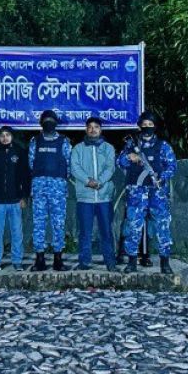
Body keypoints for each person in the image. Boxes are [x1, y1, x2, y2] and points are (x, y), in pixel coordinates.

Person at [117, 110, 177, 274]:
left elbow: (172, 166)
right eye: (144, 125)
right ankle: (131, 262)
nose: (147, 127)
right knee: (133, 226)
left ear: (155, 127)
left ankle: (165, 262)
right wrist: (129, 157)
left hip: (157, 193)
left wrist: (161, 177)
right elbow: (120, 162)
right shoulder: (132, 145)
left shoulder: (163, 146)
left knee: (162, 226)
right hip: (136, 192)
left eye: (150, 125)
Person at [70, 116, 118, 271]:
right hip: (85, 197)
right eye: (90, 127)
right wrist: (87, 181)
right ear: (86, 130)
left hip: (104, 197)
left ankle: (110, 262)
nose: (93, 129)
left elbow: (110, 168)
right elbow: (74, 168)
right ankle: (84, 262)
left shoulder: (109, 148)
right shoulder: (78, 148)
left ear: (100, 129)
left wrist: (100, 182)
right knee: (85, 232)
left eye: (96, 127)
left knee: (106, 231)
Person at [28, 109, 71, 271]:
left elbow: (69, 164)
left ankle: (58, 259)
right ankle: (40, 259)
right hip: (39, 188)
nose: (48, 123)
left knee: (58, 223)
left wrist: (58, 180)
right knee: (39, 223)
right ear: (41, 123)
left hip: (58, 189)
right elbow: (31, 163)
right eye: (45, 120)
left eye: (51, 120)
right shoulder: (35, 141)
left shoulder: (64, 141)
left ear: (56, 123)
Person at [0, 126, 30, 271]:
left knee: (17, 232)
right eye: (2, 135)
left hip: (15, 200)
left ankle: (17, 261)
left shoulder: (20, 153)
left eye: (7, 135)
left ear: (12, 137)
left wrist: (24, 196)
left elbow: (25, 177)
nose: (5, 138)